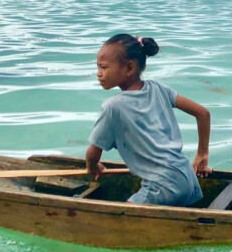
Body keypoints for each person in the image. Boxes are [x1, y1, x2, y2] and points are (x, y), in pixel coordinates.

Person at [86, 33, 210, 206]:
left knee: (124, 215)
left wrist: (93, 167)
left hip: (161, 185)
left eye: (103, 67)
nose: (98, 74)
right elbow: (203, 114)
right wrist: (202, 153)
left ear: (129, 68)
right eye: (98, 67)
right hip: (187, 177)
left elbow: (93, 153)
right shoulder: (159, 89)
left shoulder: (113, 106)